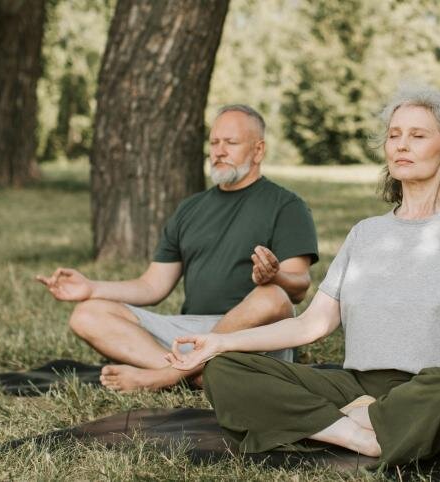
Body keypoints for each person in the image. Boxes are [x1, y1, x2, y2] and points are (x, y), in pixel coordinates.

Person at [166, 87, 440, 466]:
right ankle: (359, 436)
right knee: (225, 369)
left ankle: (335, 422)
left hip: (427, 387)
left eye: (417, 136)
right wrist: (220, 343)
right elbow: (311, 324)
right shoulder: (364, 233)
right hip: (356, 387)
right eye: (394, 135)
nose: (401, 145)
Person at [35, 104, 319, 392]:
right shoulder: (191, 209)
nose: (219, 151)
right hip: (191, 334)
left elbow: (297, 290)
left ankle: (165, 377)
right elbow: (152, 286)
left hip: (252, 335)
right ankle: (196, 377)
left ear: (258, 150)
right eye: (214, 142)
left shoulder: (286, 206)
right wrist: (91, 288)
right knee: (87, 314)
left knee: (272, 296)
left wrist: (275, 276)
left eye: (231, 143)